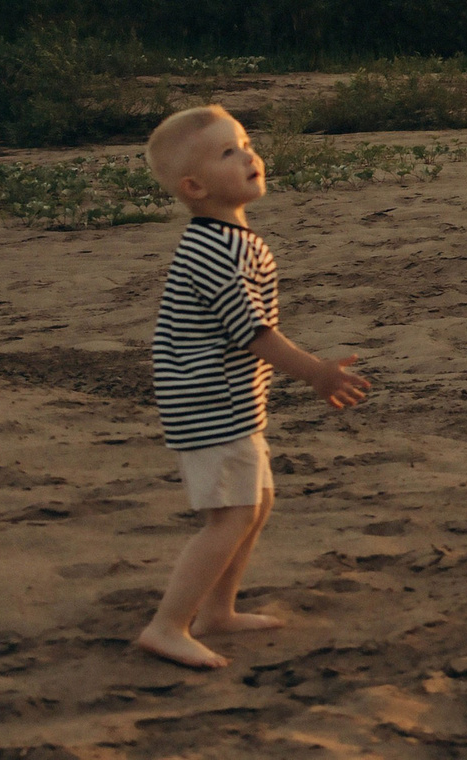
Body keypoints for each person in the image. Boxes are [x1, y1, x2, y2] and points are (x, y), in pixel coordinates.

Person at [135, 106, 369, 670]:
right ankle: (168, 625)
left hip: (232, 400)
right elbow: (252, 332)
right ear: (194, 187)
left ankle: (218, 612)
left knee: (256, 504)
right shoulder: (213, 249)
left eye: (244, 143)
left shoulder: (235, 238)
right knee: (232, 514)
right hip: (207, 401)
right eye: (227, 152)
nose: (248, 156)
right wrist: (316, 371)